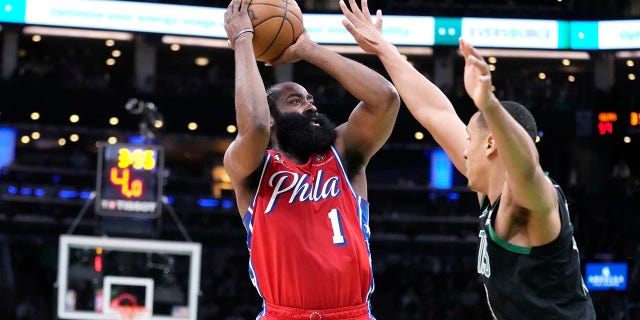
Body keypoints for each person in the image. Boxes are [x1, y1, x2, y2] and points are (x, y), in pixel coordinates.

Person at [339, 0, 596, 318]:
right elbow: (435, 112)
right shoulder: (491, 191)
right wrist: (383, 48)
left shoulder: (531, 200)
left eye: (470, 141)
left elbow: (528, 166)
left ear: (490, 145)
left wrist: (488, 104)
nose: (462, 150)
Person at [223, 0, 400, 319]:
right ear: (275, 120)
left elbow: (384, 99)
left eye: (310, 99)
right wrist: (244, 41)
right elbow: (256, 125)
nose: (310, 107)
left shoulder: (344, 153)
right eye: (295, 101)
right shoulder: (253, 169)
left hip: (353, 313)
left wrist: (308, 48)